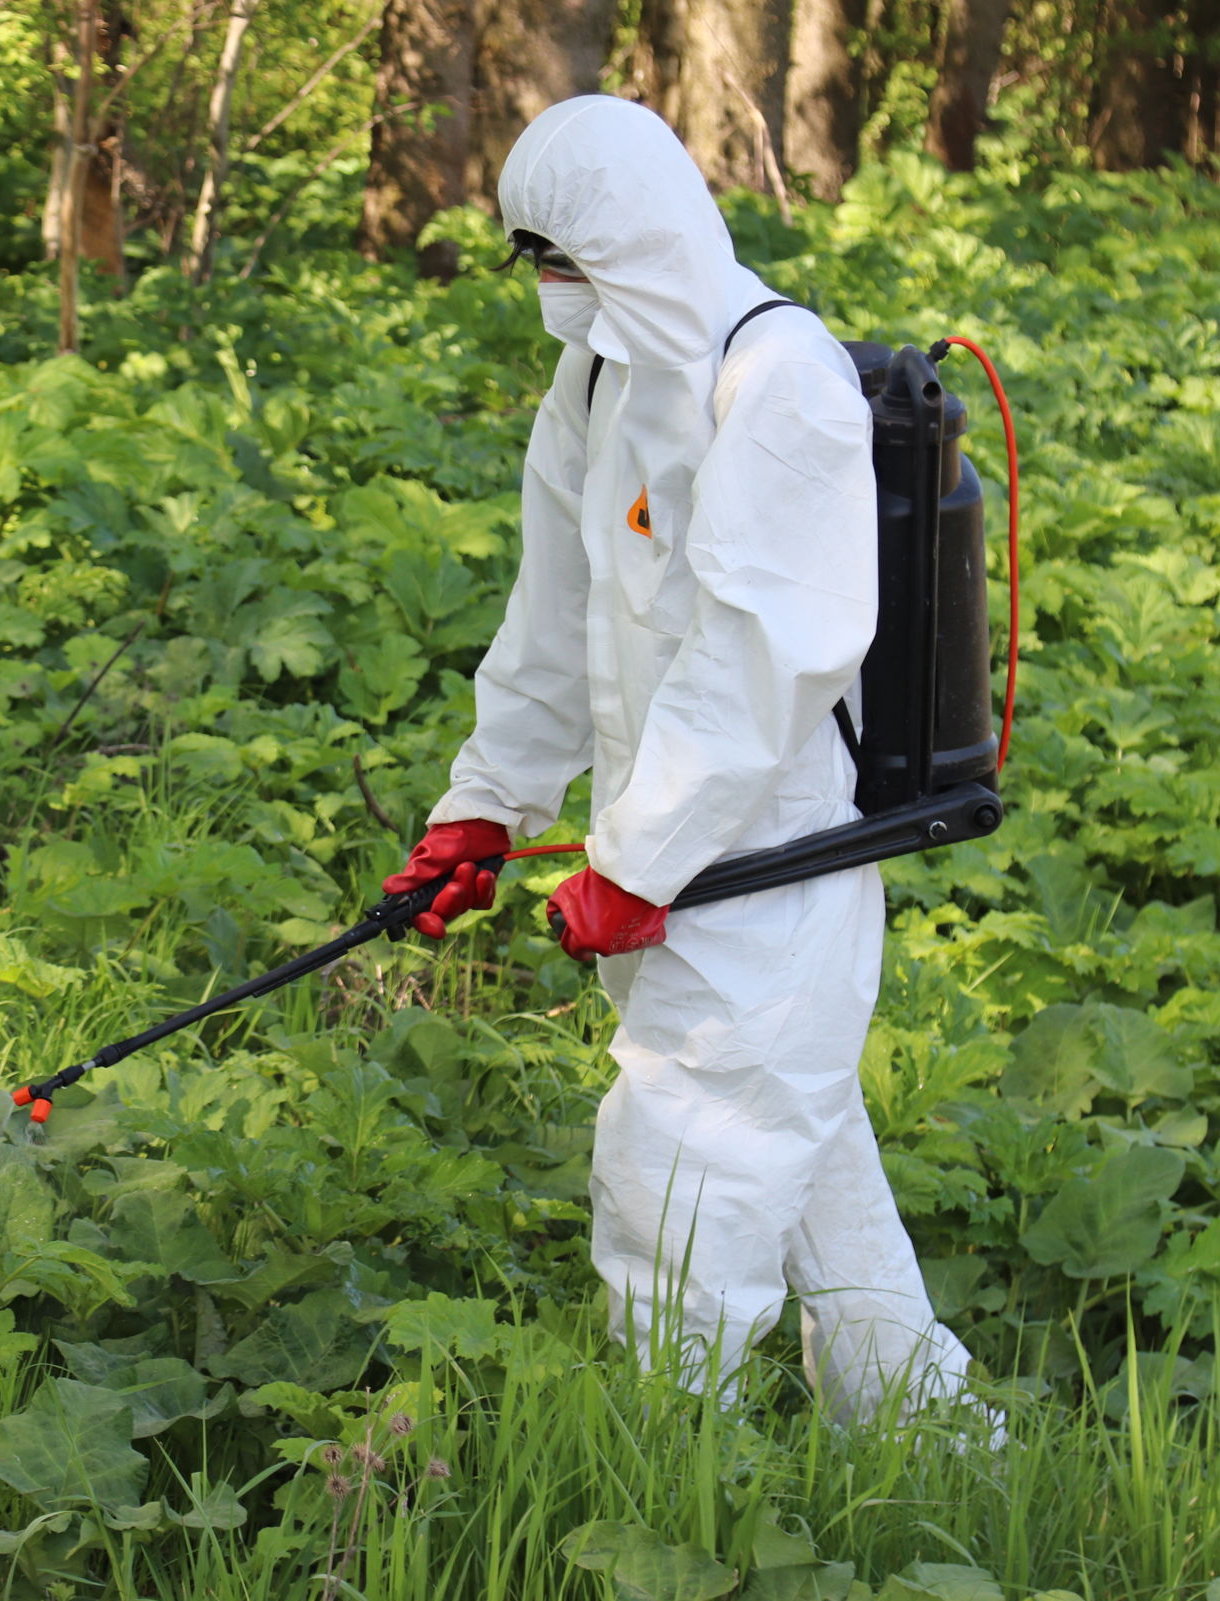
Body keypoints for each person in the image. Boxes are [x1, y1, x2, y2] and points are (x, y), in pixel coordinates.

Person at [382, 96, 973, 1424]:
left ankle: (665, 1476)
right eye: (533, 262)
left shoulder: (776, 385)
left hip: (767, 866)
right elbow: (554, 615)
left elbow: (768, 653)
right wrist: (483, 806)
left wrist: (637, 860)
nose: (547, 291)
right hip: (664, 867)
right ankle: (934, 1448)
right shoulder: (595, 375)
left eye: (563, 261)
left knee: (681, 1183)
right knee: (818, 1186)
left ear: (637, 241)